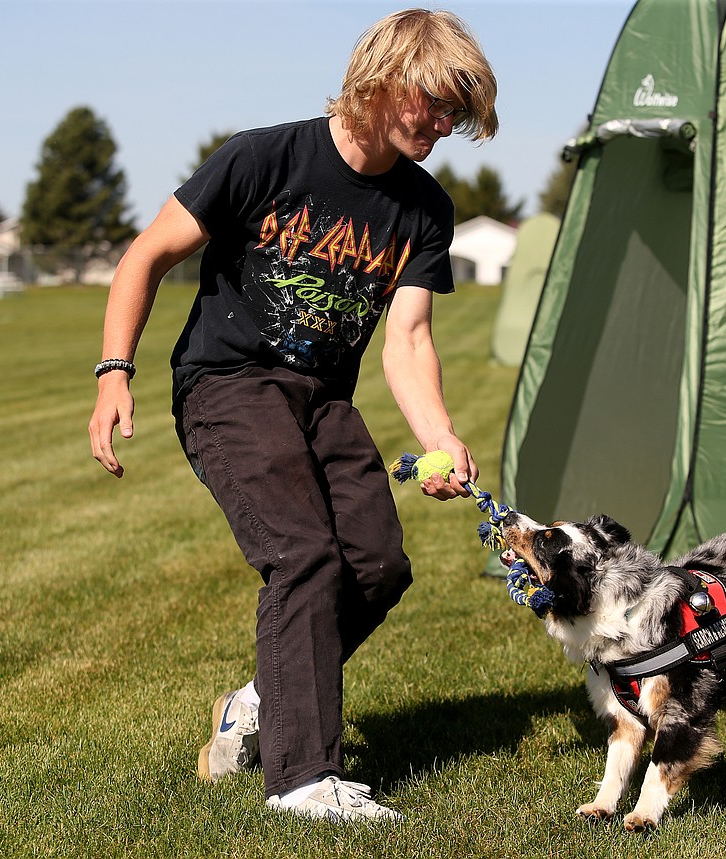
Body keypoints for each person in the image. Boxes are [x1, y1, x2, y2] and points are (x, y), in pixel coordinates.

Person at [88, 8, 498, 822]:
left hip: (322, 397)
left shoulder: (423, 208)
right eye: (436, 104)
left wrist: (440, 435)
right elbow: (146, 255)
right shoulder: (262, 157)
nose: (445, 125)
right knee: (303, 551)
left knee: (378, 565)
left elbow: (407, 338)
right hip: (227, 382)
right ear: (385, 78)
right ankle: (303, 779)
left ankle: (257, 702)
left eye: (458, 113)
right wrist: (113, 369)